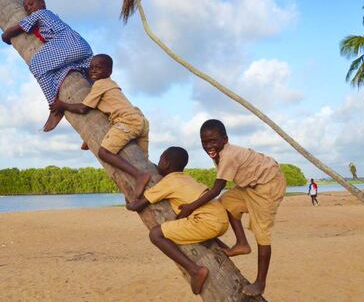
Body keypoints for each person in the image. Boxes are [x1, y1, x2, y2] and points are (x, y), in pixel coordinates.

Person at [176, 119, 286, 297]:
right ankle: (242, 244)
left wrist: (191, 207)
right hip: (250, 186)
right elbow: (221, 193)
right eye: (204, 142)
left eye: (213, 141)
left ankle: (260, 283)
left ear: (225, 139)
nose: (208, 146)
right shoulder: (218, 154)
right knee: (226, 203)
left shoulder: (228, 155)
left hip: (268, 185)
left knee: (262, 234)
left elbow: (216, 189)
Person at [126, 146, 228, 295]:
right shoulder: (186, 178)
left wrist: (129, 200)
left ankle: (195, 271)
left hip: (207, 223)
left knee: (155, 235)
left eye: (160, 158)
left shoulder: (168, 182)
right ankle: (220, 245)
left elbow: (138, 205)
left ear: (166, 162)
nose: (158, 162)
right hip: (221, 220)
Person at [50, 54, 150, 199]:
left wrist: (62, 104)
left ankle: (139, 176)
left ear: (109, 71)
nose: (93, 70)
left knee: (104, 153)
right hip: (141, 121)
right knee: (143, 161)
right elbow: (104, 114)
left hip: (128, 121)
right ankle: (147, 185)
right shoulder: (111, 85)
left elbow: (84, 108)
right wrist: (88, 140)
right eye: (91, 68)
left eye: (98, 67)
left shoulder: (100, 84)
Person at [1, 0, 93, 132]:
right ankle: (94, 114)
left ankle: (54, 108)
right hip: (81, 47)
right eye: (26, 7)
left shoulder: (41, 14)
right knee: (69, 72)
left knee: (37, 64)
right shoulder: (51, 17)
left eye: (31, 4)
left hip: (68, 43)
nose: (29, 9)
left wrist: (5, 35)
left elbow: (17, 28)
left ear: (42, 4)